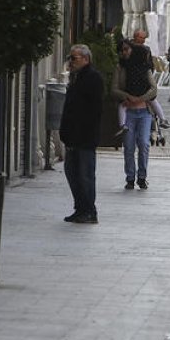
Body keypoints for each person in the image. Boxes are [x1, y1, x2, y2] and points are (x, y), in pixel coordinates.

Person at [61, 44, 104, 222]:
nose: (70, 61)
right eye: (70, 58)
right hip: (72, 136)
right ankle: (80, 208)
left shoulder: (93, 78)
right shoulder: (75, 77)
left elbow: (94, 111)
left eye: (74, 58)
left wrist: (84, 132)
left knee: (85, 175)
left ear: (85, 59)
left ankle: (89, 210)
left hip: (85, 137)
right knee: (72, 173)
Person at [113, 40, 157, 189]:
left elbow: (154, 89)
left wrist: (140, 98)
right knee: (129, 146)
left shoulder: (145, 68)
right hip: (129, 112)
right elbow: (114, 89)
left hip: (144, 112)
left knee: (144, 144)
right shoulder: (120, 68)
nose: (124, 52)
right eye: (122, 50)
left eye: (127, 49)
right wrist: (127, 96)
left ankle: (142, 177)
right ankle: (130, 177)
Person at [130, 30, 170, 128]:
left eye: (144, 38)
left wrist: (148, 72)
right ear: (135, 37)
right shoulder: (129, 47)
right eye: (141, 38)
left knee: (152, 98)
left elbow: (150, 64)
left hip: (144, 75)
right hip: (132, 76)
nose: (143, 40)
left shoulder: (146, 49)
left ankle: (163, 119)